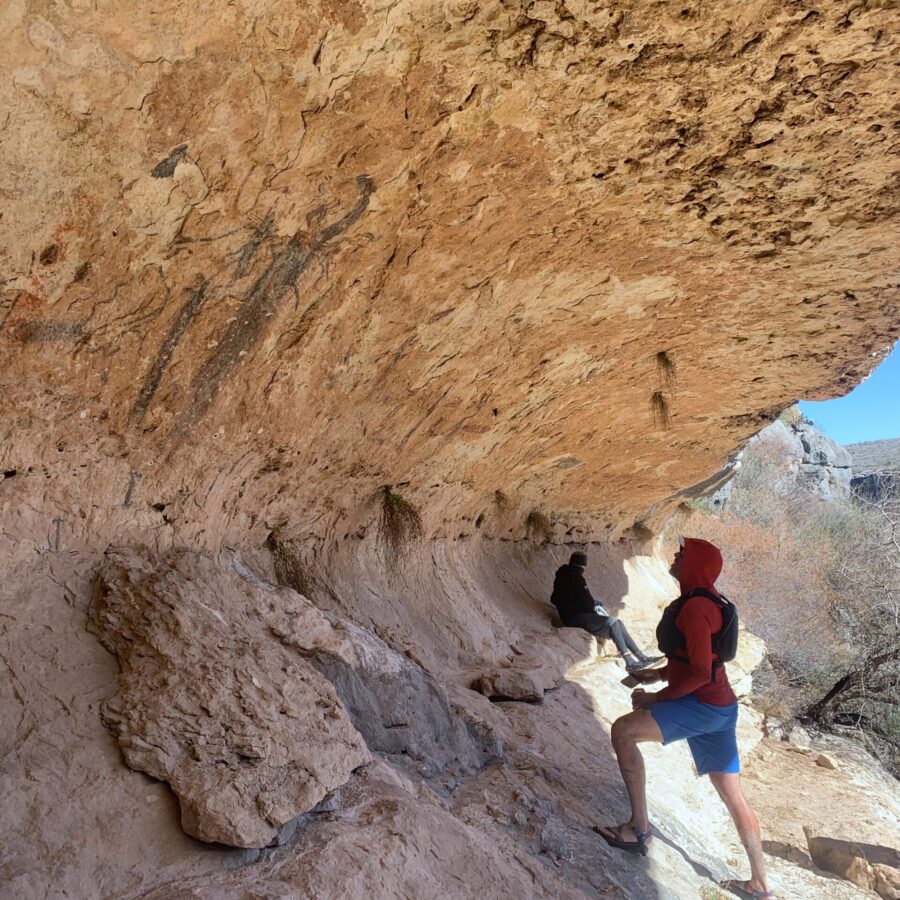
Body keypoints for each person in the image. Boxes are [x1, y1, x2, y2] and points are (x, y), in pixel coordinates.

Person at [595, 537, 773, 900]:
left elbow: (698, 674)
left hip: (703, 705)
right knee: (733, 795)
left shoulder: (694, 609)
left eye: (682, 554)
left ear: (696, 565)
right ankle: (760, 885)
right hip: (722, 708)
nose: (676, 557)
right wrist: (655, 674)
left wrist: (654, 699)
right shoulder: (708, 601)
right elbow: (690, 662)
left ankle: (638, 829)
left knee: (623, 731)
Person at [551, 550, 661, 672]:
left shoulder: (560, 577)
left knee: (618, 622)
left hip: (569, 616)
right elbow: (588, 603)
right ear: (583, 566)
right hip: (576, 617)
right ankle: (629, 661)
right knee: (613, 623)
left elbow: (554, 599)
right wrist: (595, 604)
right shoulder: (577, 578)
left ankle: (642, 657)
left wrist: (568, 605)